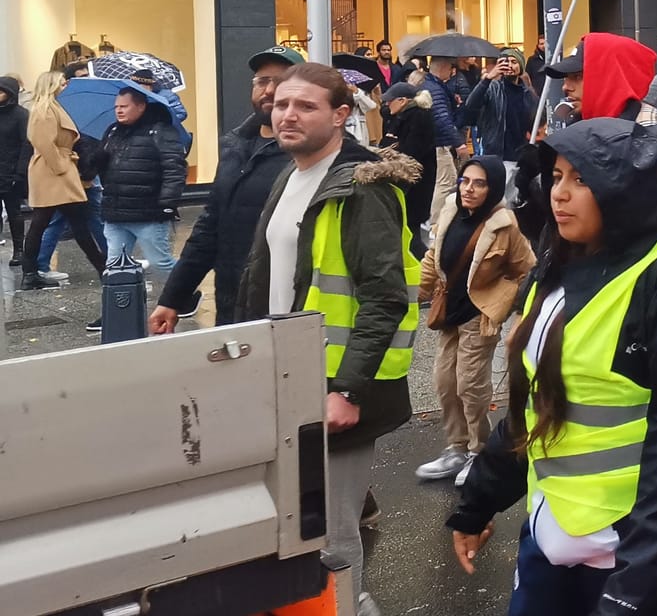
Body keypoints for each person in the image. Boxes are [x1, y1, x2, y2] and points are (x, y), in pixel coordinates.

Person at [448, 118, 657, 615]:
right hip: (552, 540)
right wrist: (477, 502)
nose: (560, 195)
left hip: (630, 558)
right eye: (558, 177)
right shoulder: (560, 264)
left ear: (625, 189)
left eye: (582, 180)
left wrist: (635, 589)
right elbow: (533, 409)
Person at [238, 63, 420, 616]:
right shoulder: (291, 172)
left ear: (342, 116)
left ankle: (347, 605)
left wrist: (349, 389)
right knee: (290, 523)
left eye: (306, 106)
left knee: (334, 535)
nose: (287, 114)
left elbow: (385, 296)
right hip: (286, 373)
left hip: (336, 383)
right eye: (280, 104)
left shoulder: (361, 187)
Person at [153, 46, 301, 330]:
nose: (269, 90)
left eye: (280, 81)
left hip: (284, 306)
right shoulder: (235, 146)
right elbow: (209, 228)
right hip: (232, 302)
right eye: (261, 81)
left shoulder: (305, 152)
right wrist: (173, 297)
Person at [415, 156, 535, 486]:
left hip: (479, 317)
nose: (469, 189)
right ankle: (456, 447)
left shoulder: (504, 224)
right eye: (465, 181)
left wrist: (507, 302)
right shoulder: (451, 210)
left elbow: (527, 269)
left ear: (493, 187)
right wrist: (420, 290)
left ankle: (478, 451)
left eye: (479, 183)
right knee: (444, 381)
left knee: (470, 383)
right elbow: (432, 255)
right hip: (449, 312)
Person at [21, 70, 111, 297]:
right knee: (64, 223)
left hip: (55, 170)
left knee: (49, 222)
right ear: (52, 85)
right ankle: (102, 269)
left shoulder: (51, 108)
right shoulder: (45, 110)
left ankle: (30, 273)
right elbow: (43, 142)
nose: (65, 85)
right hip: (54, 171)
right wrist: (61, 167)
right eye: (62, 82)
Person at [98, 85, 187, 276]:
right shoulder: (113, 131)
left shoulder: (160, 131)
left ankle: (186, 292)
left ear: (141, 106)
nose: (119, 110)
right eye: (116, 107)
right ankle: (124, 304)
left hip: (149, 213)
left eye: (125, 106)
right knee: (114, 267)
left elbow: (175, 169)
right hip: (116, 213)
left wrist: (167, 204)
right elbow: (104, 169)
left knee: (160, 263)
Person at [547, 33, 657, 123]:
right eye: (567, 77)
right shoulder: (580, 132)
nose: (565, 87)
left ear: (613, 79)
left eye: (577, 77)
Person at [379, 83, 439, 241]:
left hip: (413, 183)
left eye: (389, 100)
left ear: (402, 100)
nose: (386, 104)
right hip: (409, 180)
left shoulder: (418, 117)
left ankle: (421, 265)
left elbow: (411, 152)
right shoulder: (402, 115)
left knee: (411, 233)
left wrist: (390, 147)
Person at [461, 49, 538, 160]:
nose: (509, 66)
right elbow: (471, 104)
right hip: (497, 154)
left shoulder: (528, 94)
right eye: (505, 63)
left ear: (521, 66)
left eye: (514, 62)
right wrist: (487, 79)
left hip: (521, 156)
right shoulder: (493, 88)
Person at [421, 57, 467, 225]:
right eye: (450, 67)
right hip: (440, 144)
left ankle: (433, 220)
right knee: (445, 183)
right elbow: (442, 119)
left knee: (442, 181)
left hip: (435, 143)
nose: (452, 71)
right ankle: (435, 223)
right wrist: (459, 142)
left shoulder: (432, 86)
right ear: (443, 68)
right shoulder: (436, 89)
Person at [0, 75, 28, 256]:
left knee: (14, 212)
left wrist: (20, 173)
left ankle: (19, 250)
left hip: (11, 171)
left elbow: (27, 144)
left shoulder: (21, 115)